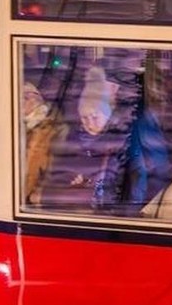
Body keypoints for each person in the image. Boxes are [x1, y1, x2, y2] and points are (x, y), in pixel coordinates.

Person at [41, 66, 127, 211]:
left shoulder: (119, 140)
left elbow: (118, 185)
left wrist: (88, 181)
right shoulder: (72, 141)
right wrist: (69, 179)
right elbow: (56, 176)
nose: (89, 123)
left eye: (95, 116)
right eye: (84, 117)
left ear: (108, 113)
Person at [20, 81, 66, 204]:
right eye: (24, 96)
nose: (31, 97)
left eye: (33, 93)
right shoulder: (13, 127)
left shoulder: (56, 127)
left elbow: (52, 167)